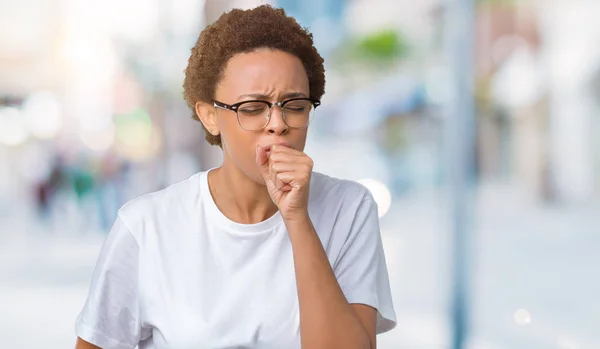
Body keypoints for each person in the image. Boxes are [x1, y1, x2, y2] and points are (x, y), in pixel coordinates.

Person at [75, 5, 396, 349]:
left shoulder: (349, 209)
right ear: (210, 116)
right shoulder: (146, 226)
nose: (278, 123)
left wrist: (297, 218)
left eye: (296, 105)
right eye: (253, 108)